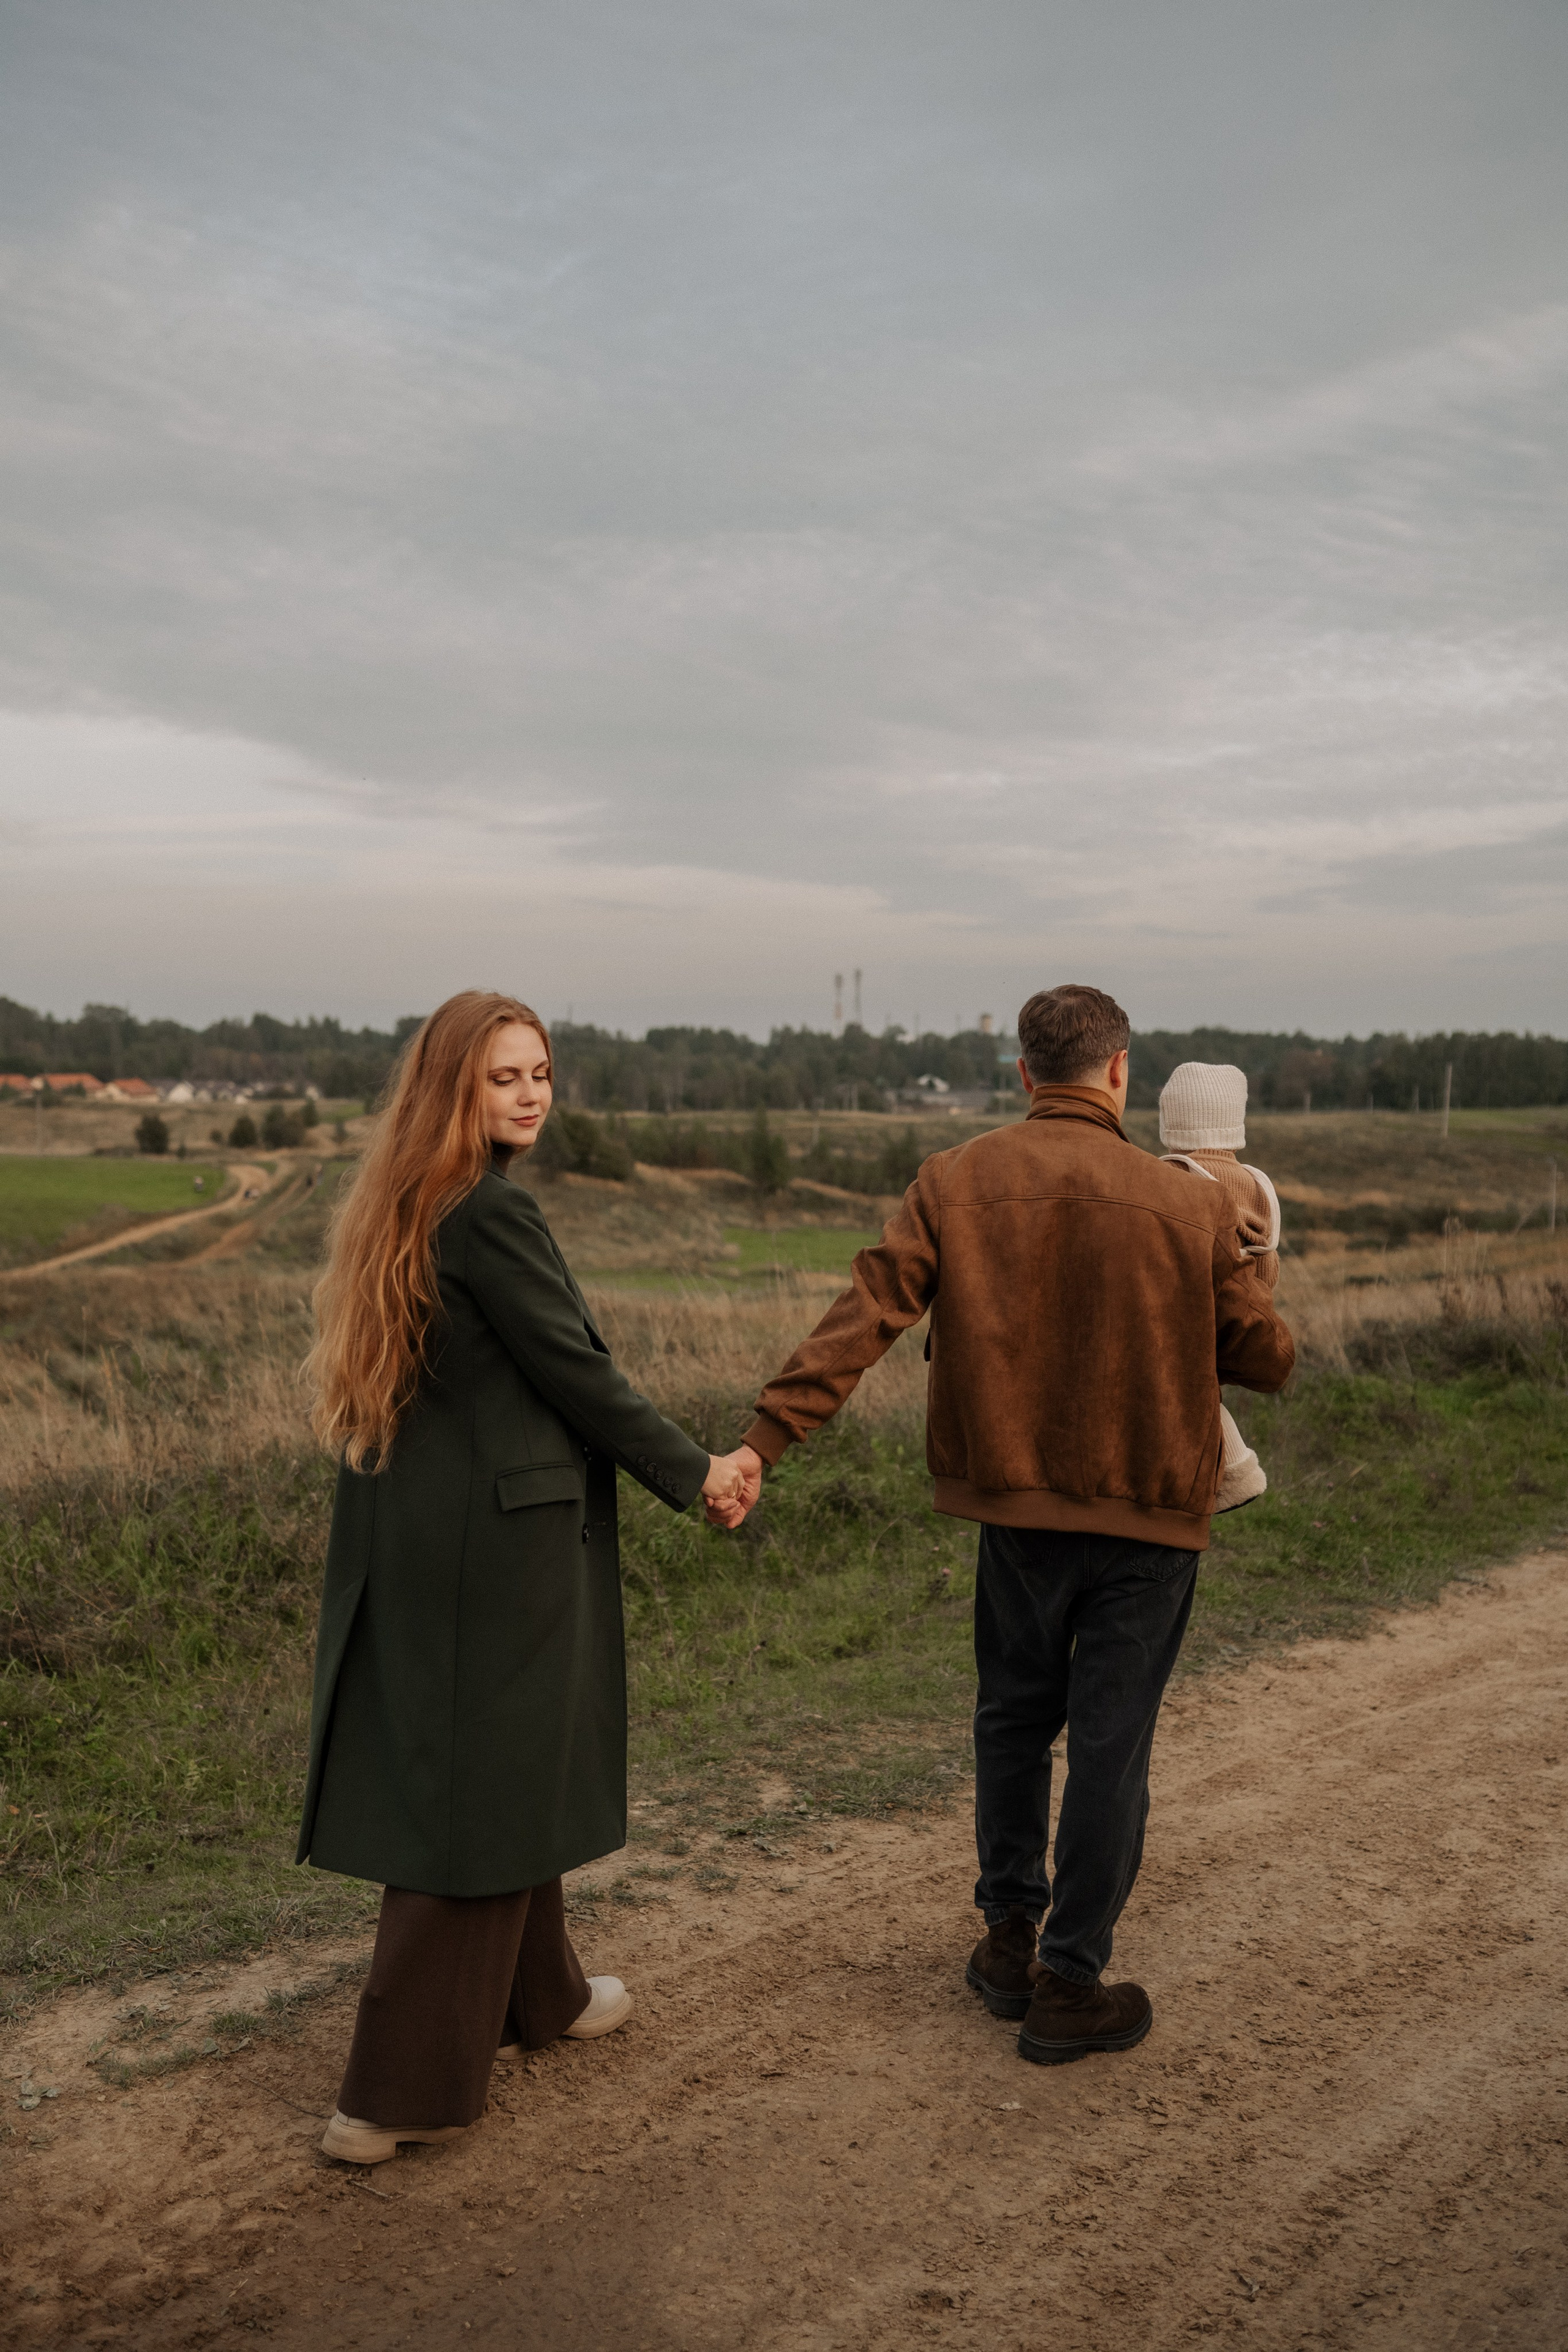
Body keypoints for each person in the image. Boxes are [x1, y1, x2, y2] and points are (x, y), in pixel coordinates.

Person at [712, 984, 1294, 2065]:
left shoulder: (955, 1178)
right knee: (1112, 1747)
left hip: (1013, 1511)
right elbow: (1267, 1359)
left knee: (1014, 1720)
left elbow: (866, 1314)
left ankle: (1008, 1942)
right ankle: (1071, 1985)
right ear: (1119, 1072)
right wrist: (1252, 1254)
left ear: (1026, 1075)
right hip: (1151, 1517)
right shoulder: (1192, 1206)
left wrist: (763, 1441)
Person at [298, 990, 751, 2165]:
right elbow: (577, 1373)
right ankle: (386, 2096)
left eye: (541, 1073)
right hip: (490, 1553)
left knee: (506, 1763)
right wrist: (698, 1473)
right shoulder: (490, 1212)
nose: (533, 1094)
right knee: (476, 1796)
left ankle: (541, 1995)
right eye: (505, 1077)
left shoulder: (415, 1195)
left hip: (433, 1534)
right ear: (455, 1088)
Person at [1157, 1061, 1283, 1512]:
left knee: (1179, 1387)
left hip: (1189, 1304)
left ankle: (1235, 1474)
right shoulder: (1257, 1184)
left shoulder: (1174, 1177)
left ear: (1171, 1123)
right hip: (1247, 1303)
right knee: (1205, 1387)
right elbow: (1266, 1264)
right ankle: (1235, 1471)